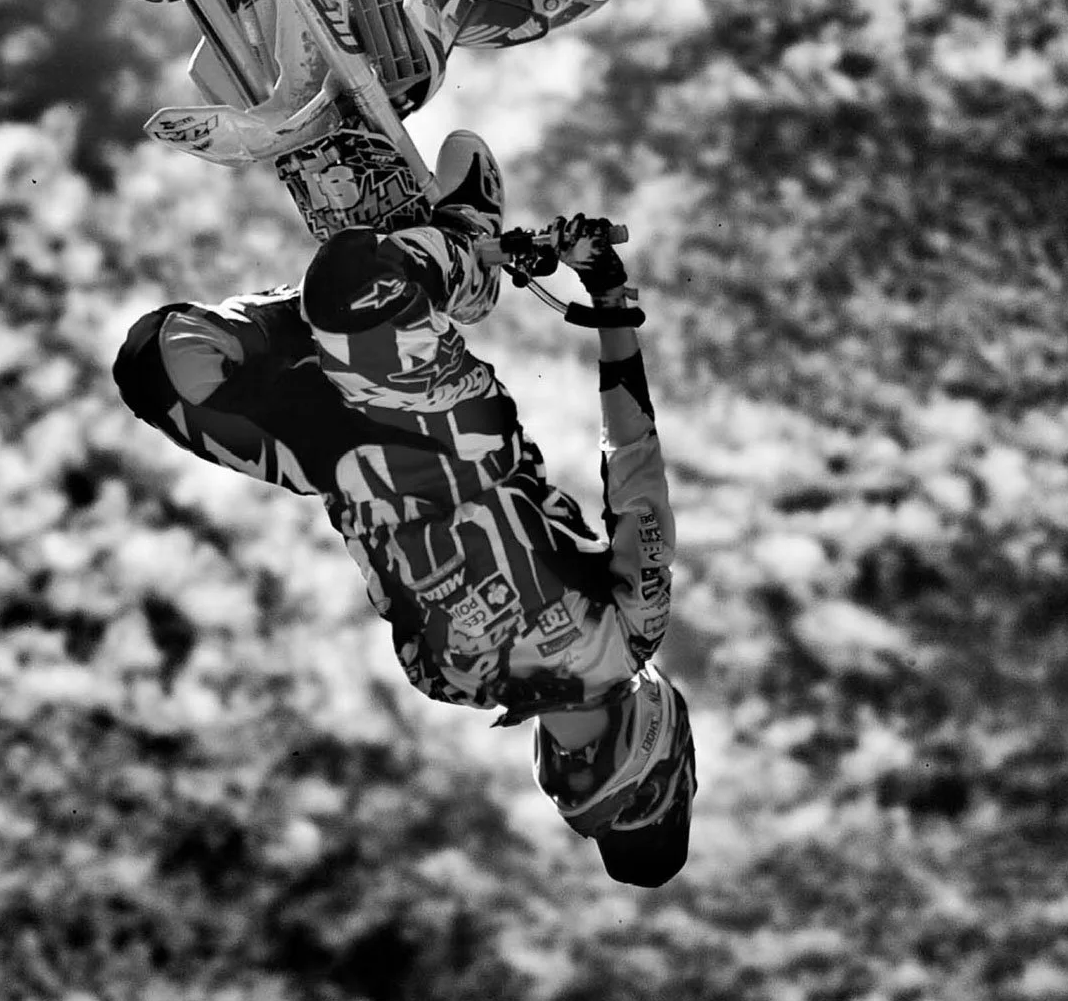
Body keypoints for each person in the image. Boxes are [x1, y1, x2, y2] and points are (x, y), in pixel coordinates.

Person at [109, 131, 696, 886]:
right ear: (652, 773)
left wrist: (302, 417)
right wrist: (610, 300)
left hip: (325, 454)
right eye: (596, 798)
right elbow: (634, 462)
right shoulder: (628, 632)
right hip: (439, 416)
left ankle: (368, 308)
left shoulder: (448, 679)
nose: (573, 786)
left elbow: (375, 555)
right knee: (349, 282)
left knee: (161, 361)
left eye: (577, 803)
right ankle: (463, 247)